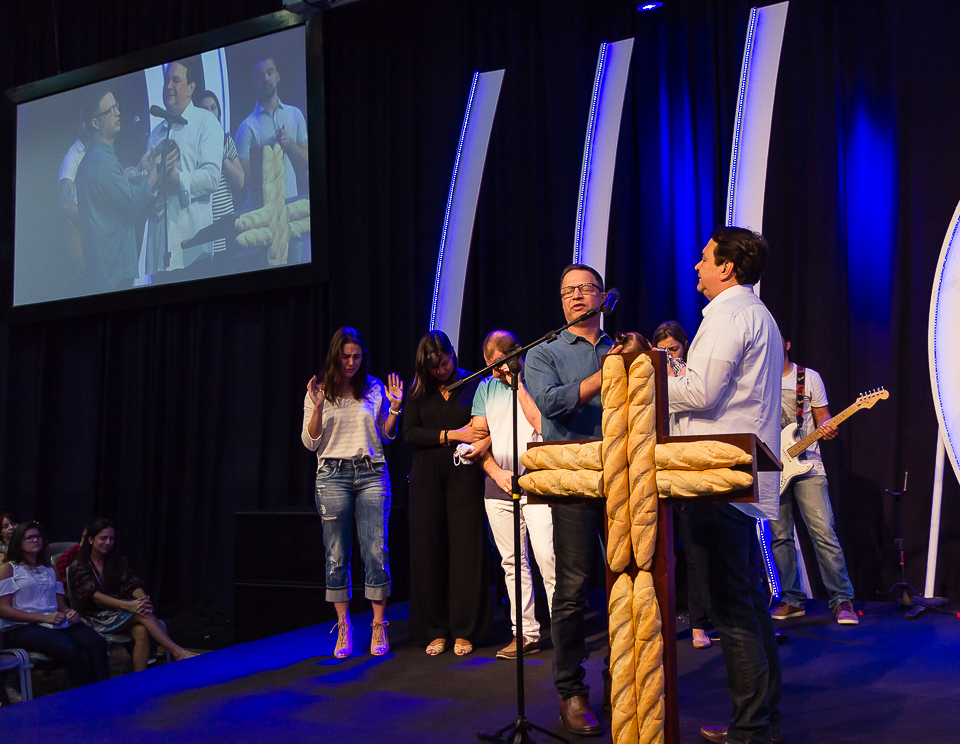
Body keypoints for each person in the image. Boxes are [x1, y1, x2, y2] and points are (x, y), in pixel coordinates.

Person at [666, 227, 784, 744]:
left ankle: (750, 730)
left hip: (718, 477)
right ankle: (762, 723)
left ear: (727, 267)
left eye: (705, 258)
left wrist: (647, 375)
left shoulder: (729, 314)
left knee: (733, 609)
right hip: (738, 473)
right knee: (749, 602)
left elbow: (700, 391)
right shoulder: (756, 314)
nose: (697, 266)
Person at [525, 263, 618, 737]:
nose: (576, 296)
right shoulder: (544, 352)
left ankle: (621, 676)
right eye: (568, 291)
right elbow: (553, 404)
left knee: (628, 581)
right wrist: (609, 373)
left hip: (622, 478)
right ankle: (570, 689)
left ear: (602, 296)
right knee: (573, 587)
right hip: (574, 480)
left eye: (585, 289)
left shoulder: (619, 347)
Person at [302, 327, 402, 658]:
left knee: (376, 550)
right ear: (335, 356)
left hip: (372, 472)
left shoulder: (373, 387)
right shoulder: (318, 390)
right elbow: (310, 442)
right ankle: (344, 625)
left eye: (357, 356)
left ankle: (378, 625)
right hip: (332, 475)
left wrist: (395, 409)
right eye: (345, 356)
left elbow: (386, 435)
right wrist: (318, 406)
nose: (351, 362)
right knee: (336, 554)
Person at [403, 331, 490, 657]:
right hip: (426, 476)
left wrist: (466, 437)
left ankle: (465, 630)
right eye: (434, 367)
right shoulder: (418, 389)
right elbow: (410, 433)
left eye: (444, 363)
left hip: (464, 472)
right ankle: (436, 629)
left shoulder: (472, 382)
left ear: (452, 354)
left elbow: (480, 429)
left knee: (466, 549)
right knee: (429, 549)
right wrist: (451, 434)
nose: (440, 370)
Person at [471, 330, 556, 660]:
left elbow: (543, 425)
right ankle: (526, 633)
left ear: (516, 356)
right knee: (512, 564)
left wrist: (517, 382)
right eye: (489, 366)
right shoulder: (485, 387)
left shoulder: (535, 379)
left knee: (548, 558)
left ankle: (564, 634)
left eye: (498, 365)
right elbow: (478, 437)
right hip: (499, 486)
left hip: (537, 482)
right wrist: (495, 472)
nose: (495, 373)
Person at [769, 336, 857, 625]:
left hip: (809, 466)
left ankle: (842, 599)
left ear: (787, 344)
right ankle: (792, 600)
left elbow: (824, 417)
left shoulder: (808, 377)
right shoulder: (756, 378)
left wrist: (827, 426)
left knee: (823, 533)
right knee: (780, 537)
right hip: (772, 467)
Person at [653, 320, 712, 650]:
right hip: (660, 467)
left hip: (688, 466)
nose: (669, 356)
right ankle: (658, 622)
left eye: (673, 349)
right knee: (660, 552)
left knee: (694, 550)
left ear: (684, 347)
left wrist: (675, 371)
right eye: (661, 351)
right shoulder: (650, 376)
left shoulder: (692, 376)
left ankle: (698, 624)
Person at [69, 518, 196, 670]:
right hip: (95, 616)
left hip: (118, 612)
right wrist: (128, 606)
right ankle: (178, 652)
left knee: (141, 631)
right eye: (103, 538)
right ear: (90, 539)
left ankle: (139, 678)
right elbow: (94, 596)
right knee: (141, 613)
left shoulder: (116, 559)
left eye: (111, 539)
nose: (108, 542)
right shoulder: (79, 565)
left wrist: (142, 599)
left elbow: (131, 583)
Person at [0, 522, 109, 687]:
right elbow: (3, 609)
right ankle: (88, 693)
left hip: (53, 621)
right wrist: (43, 617)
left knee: (97, 642)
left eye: (38, 536)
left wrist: (69, 612)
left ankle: (104, 690)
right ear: (18, 542)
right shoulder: (9, 569)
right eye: (29, 537)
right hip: (21, 627)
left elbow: (60, 604)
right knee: (69, 648)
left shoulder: (50, 569)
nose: (35, 540)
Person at [142, 60, 223, 275]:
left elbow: (212, 177)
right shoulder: (156, 133)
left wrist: (177, 181)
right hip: (159, 251)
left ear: (191, 88)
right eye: (166, 80)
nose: (168, 86)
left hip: (193, 249)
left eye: (176, 80)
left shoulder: (206, 122)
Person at [75, 88, 161, 292]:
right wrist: (155, 172)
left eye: (117, 107)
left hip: (106, 272)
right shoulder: (102, 161)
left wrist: (139, 170)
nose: (117, 113)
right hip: (113, 273)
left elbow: (113, 193)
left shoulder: (94, 159)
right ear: (95, 123)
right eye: (110, 110)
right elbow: (131, 200)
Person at [236, 56, 308, 205]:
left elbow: (307, 163)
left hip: (291, 203)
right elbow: (242, 177)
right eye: (260, 76)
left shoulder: (295, 114)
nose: (266, 79)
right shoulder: (246, 127)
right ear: (253, 84)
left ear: (278, 76)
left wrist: (290, 144)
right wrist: (268, 153)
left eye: (270, 72)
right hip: (261, 209)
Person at [197, 90, 245, 254]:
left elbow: (240, 182)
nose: (210, 112)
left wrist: (222, 156)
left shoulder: (226, 141)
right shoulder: (192, 144)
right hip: (203, 226)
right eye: (205, 109)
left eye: (213, 108)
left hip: (226, 224)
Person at [58, 124, 90, 273]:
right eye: (83, 120)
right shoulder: (72, 156)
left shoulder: (96, 152)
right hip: (79, 230)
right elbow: (64, 198)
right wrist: (84, 221)